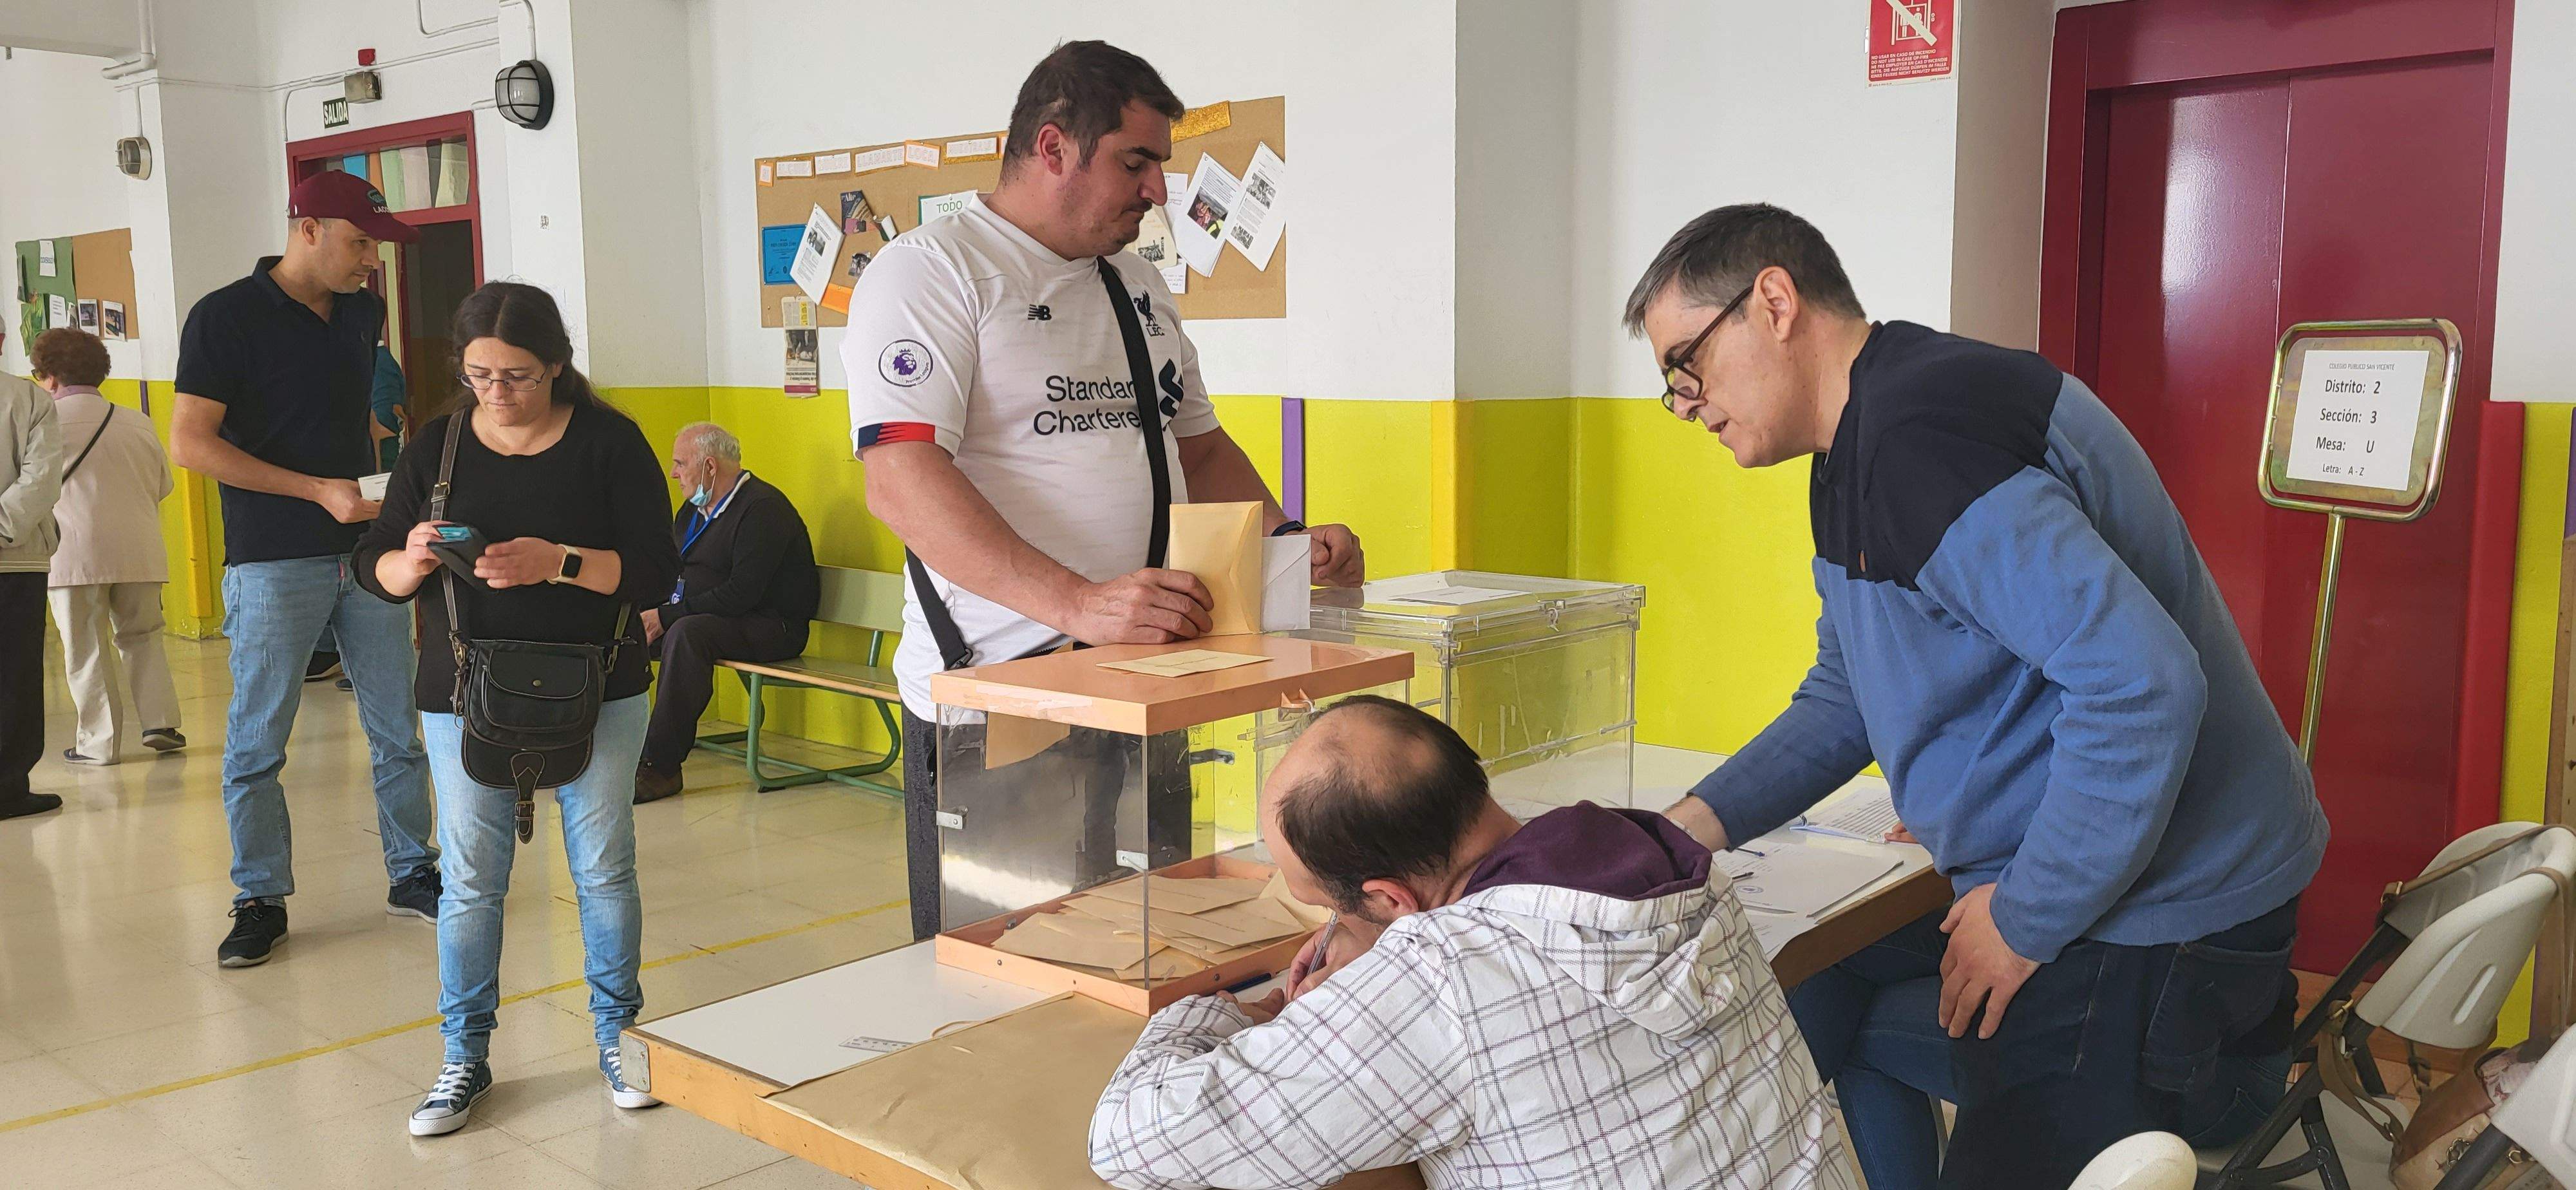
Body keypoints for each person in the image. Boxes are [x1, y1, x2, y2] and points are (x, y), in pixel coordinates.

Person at [1626, 204, 2327, 1189]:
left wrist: (2025, 916)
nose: (1686, 403)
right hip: (2105, 880)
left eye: (1684, 365)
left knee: (1874, 1033)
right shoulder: (1853, 452)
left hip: (2171, 919)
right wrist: (1683, 832)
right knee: (1826, 986)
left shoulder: (1921, 437)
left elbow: (2145, 687)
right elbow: (1848, 696)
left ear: (1773, 302)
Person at [844, 40, 1365, 941]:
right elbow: (899, 481)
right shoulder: (934, 273)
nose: (1158, 190)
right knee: (1008, 974)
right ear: (1053, 149)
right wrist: (1081, 602)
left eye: (1161, 165)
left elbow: (1197, 450)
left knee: (1151, 951)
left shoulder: (1134, 282)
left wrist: (1287, 543)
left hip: (1149, 681)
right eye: (1137, 160)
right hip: (1002, 705)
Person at [1087, 695, 1854, 1189]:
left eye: (1327, 905)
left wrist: (1246, 1013)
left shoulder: (1443, 983)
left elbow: (1132, 1145)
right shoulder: (1664, 857)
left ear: (1390, 899)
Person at [354, 281, 681, 1137]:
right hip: (462, 694)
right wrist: (413, 561)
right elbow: (375, 567)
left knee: (604, 868)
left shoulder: (610, 443)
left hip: (599, 685)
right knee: (469, 879)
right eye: (480, 375)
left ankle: (620, 1037)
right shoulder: (438, 448)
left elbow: (654, 572)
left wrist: (560, 563)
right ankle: (464, 1052)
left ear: (559, 366)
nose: (498, 393)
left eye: (519, 376)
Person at [171, 170, 440, 967]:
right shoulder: (225, 317)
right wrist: (312, 490)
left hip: (366, 549)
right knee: (258, 740)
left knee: (399, 727)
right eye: (360, 244)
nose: (371, 263)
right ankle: (259, 896)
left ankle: (413, 870)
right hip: (271, 556)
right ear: (308, 229)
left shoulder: (364, 311)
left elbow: (334, 410)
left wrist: (377, 482)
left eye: (377, 248)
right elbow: (191, 443)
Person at [633, 422, 819, 804]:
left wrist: (666, 618)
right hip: (712, 618)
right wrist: (646, 610)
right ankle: (596, 752)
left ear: (710, 468)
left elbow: (741, 595)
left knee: (687, 634)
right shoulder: (692, 511)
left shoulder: (762, 510)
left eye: (680, 463)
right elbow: (671, 569)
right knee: (621, 625)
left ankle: (660, 767)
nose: (674, 473)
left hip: (773, 625)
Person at [32, 328, 183, 766]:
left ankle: (98, 744)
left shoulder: (40, 422)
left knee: (85, 648)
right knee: (143, 637)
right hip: (139, 550)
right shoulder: (137, 420)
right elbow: (163, 485)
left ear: (52, 378)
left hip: (70, 554)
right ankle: (161, 723)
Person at [0, 324, 62, 820]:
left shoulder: (29, 400)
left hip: (16, 561)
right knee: (14, 676)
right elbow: (40, 481)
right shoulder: (29, 400)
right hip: (14, 560)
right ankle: (7, 788)